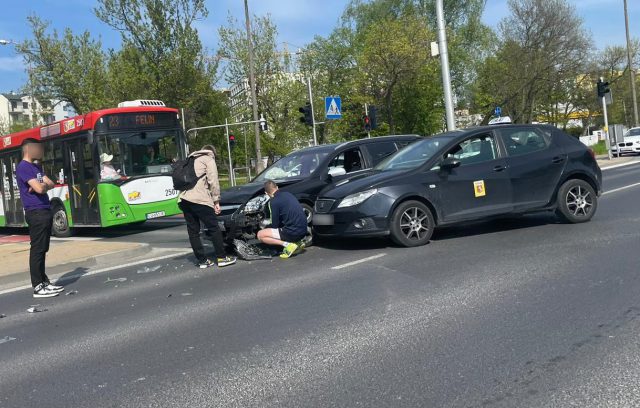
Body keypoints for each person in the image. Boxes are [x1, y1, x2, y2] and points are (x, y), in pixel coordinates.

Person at [16, 138, 65, 298]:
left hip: (44, 210)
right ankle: (37, 286)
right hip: (35, 212)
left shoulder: (35, 167)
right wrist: (40, 186)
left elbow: (50, 183)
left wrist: (41, 186)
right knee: (37, 249)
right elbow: (41, 187)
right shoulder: (23, 167)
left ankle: (44, 282)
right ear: (28, 149)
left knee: (43, 248)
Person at [178, 145, 236, 269]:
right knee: (214, 227)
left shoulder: (190, 159)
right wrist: (216, 201)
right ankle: (222, 257)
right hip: (200, 199)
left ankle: (202, 261)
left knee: (193, 231)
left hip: (183, 199)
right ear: (213, 153)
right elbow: (213, 181)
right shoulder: (208, 159)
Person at [257, 180, 308, 259]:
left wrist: (265, 227)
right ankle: (298, 242)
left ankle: (288, 245)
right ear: (277, 187)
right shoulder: (288, 194)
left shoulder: (273, 202)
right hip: (304, 230)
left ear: (266, 193)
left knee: (260, 234)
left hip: (293, 232)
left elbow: (274, 225)